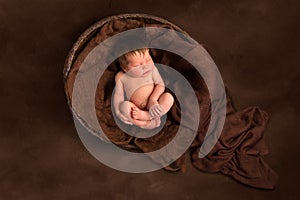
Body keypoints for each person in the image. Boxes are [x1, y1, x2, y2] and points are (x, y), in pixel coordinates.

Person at [113, 48, 174, 129]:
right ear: (125, 68)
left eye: (148, 60)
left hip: (156, 103)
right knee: (123, 107)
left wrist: (153, 99)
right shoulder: (120, 76)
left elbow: (160, 85)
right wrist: (117, 112)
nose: (145, 66)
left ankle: (147, 116)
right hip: (136, 109)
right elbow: (118, 95)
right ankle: (144, 123)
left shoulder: (152, 69)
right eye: (137, 66)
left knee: (168, 97)